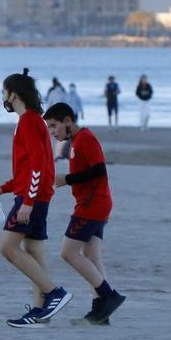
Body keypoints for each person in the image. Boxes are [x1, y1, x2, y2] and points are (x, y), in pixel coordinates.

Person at [0, 68, 72, 327]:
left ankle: (54, 293)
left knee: (7, 247)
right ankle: (40, 312)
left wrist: (28, 201)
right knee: (33, 250)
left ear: (14, 94)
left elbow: (37, 165)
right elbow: (29, 168)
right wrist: (4, 188)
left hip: (32, 199)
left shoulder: (30, 122)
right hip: (33, 195)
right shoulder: (31, 121)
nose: (2, 96)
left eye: (4, 91)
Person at [44, 102, 127, 324]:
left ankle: (108, 296)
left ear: (68, 121)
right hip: (96, 203)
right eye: (49, 128)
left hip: (92, 205)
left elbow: (99, 169)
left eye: (54, 126)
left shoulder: (85, 139)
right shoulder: (75, 141)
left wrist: (67, 179)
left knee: (67, 253)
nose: (52, 132)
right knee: (92, 257)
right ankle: (102, 312)